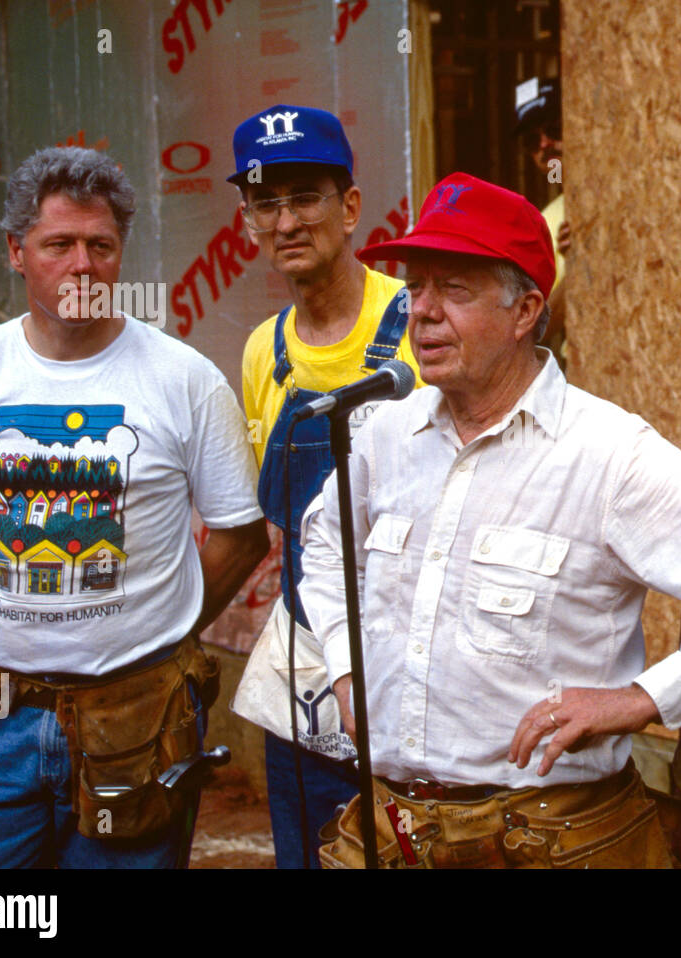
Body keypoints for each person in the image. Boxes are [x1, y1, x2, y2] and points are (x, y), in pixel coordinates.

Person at [296, 172, 681, 869]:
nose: (421, 311)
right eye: (416, 286)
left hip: (551, 842)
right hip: (391, 830)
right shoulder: (383, 435)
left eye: (453, 289)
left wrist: (646, 698)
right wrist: (345, 667)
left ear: (525, 311)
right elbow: (322, 539)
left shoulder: (605, 452)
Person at [0, 146, 268, 868]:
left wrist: (159, 626)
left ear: (120, 252)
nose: (83, 266)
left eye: (100, 246)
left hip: (137, 718)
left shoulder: (184, 380)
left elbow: (241, 536)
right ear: (15, 251)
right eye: (59, 244)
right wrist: (12, 597)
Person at [225, 104, 419, 869]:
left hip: (415, 677)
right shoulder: (261, 354)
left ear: (350, 207)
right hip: (308, 683)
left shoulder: (418, 324)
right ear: (247, 220)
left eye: (305, 197)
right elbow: (272, 529)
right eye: (266, 201)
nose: (286, 221)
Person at [514, 78, 571, 361]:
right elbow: (540, 331)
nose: (545, 144)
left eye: (554, 130)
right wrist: (580, 266)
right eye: (532, 141)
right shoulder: (546, 223)